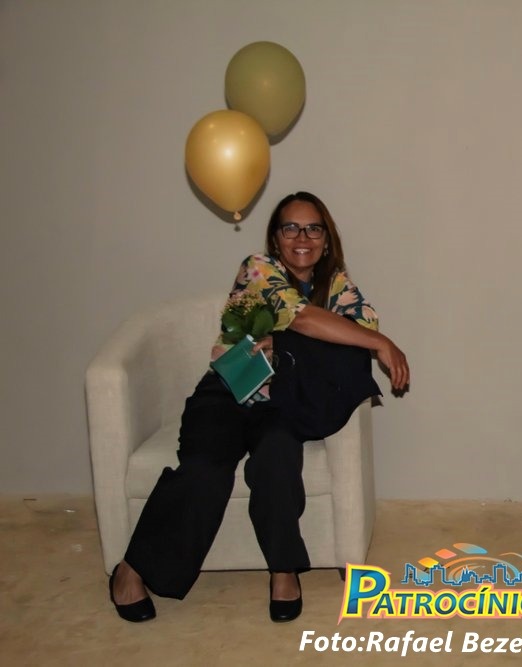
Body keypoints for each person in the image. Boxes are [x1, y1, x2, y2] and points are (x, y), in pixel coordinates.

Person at [108, 191, 409, 623]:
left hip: (285, 403)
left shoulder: (338, 286)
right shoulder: (258, 269)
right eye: (291, 228)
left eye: (313, 228)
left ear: (326, 238)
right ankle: (132, 568)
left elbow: (354, 340)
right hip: (228, 393)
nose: (302, 237)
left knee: (277, 459)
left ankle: (284, 570)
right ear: (275, 237)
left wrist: (291, 344)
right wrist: (377, 343)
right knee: (205, 472)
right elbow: (303, 317)